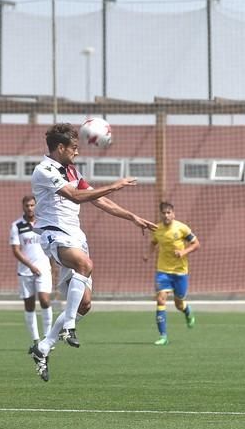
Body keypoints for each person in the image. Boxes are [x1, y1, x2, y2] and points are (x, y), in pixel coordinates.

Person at [28, 123, 156, 381]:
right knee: (85, 264)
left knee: (85, 304)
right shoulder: (44, 170)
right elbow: (75, 196)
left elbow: (97, 199)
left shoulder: (72, 170)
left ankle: (43, 347)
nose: (77, 152)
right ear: (60, 147)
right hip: (54, 233)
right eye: (74, 148)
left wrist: (132, 216)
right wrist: (115, 185)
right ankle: (69, 329)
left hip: (75, 236)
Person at [143, 201, 200, 346]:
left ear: (173, 214)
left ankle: (187, 312)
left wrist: (183, 252)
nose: (166, 215)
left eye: (169, 212)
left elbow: (196, 244)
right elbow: (153, 242)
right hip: (163, 271)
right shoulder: (157, 229)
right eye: (164, 213)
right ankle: (163, 336)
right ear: (160, 214)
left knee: (178, 303)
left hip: (180, 271)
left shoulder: (182, 228)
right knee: (161, 299)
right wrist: (148, 254)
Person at [10, 195, 53, 345]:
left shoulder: (43, 224)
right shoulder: (17, 226)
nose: (30, 208)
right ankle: (36, 340)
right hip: (26, 271)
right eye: (27, 205)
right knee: (29, 305)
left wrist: (54, 266)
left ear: (36, 206)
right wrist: (31, 266)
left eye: (32, 205)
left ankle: (48, 338)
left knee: (44, 300)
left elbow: (51, 245)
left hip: (43, 269)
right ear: (23, 207)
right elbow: (16, 250)